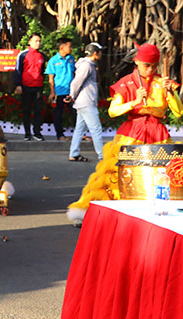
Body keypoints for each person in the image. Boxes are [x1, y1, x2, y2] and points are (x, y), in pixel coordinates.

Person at [67, 43, 182, 223]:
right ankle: (85, 212)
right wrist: (134, 101)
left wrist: (171, 93)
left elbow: (178, 112)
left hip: (158, 134)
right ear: (137, 61)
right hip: (132, 132)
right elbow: (113, 111)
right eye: (147, 65)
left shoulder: (162, 82)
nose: (151, 69)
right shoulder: (126, 82)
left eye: (154, 66)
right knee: (114, 174)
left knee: (165, 176)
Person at [68, 43, 104, 162]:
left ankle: (74, 153)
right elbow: (77, 82)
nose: (101, 54)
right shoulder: (86, 66)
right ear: (95, 53)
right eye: (100, 52)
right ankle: (102, 156)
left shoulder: (89, 65)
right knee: (96, 129)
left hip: (84, 102)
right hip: (86, 102)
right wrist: (72, 95)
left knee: (80, 129)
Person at [15, 33, 46, 141]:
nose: (38, 43)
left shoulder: (42, 55)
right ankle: (27, 133)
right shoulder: (23, 55)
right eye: (36, 41)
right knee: (26, 110)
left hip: (38, 86)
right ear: (30, 42)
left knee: (38, 110)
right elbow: (18, 70)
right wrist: (18, 84)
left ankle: (37, 132)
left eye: (39, 41)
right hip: (26, 86)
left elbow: (42, 71)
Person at [45, 37, 76, 140]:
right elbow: (51, 78)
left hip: (71, 92)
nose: (71, 48)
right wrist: (52, 92)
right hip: (59, 92)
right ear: (62, 47)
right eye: (69, 46)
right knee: (58, 114)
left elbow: (75, 73)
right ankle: (60, 135)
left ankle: (80, 134)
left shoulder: (71, 59)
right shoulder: (53, 61)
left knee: (75, 113)